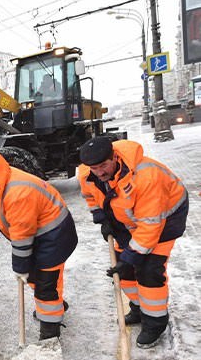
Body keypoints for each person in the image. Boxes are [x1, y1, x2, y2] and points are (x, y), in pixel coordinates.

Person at [78, 136, 189, 348]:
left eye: (104, 166)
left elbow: (149, 226)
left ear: (115, 157)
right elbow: (91, 196)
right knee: (124, 270)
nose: (100, 172)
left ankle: (155, 322)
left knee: (148, 269)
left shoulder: (146, 176)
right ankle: (139, 308)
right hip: (129, 218)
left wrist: (130, 258)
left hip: (165, 218)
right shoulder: (87, 173)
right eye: (94, 168)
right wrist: (103, 219)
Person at [0, 148, 78, 340]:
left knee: (45, 285)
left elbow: (22, 234)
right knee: (37, 277)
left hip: (54, 236)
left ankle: (50, 332)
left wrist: (20, 266)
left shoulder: (18, 192)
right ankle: (54, 306)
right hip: (40, 234)